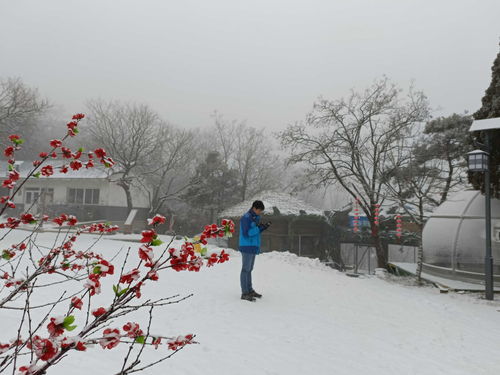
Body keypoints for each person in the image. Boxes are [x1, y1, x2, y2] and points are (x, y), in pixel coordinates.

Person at [239, 200, 271, 302]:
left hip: (253, 246)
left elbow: (255, 232)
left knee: (249, 269)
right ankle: (244, 293)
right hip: (247, 246)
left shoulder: (255, 217)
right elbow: (246, 233)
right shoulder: (246, 218)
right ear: (254, 208)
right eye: (259, 211)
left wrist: (263, 228)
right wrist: (258, 228)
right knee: (245, 269)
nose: (260, 213)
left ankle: (250, 290)